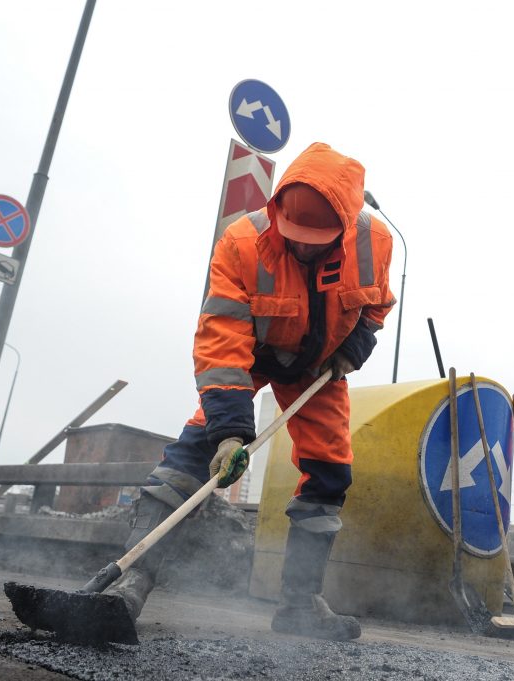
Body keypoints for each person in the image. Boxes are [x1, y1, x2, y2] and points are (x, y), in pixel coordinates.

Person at [106, 142, 395, 642]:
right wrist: (230, 431)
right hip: (253, 351)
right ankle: (131, 582)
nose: (303, 246)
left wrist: (356, 345)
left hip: (318, 365)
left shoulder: (375, 243)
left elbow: (375, 307)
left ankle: (299, 605)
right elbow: (221, 342)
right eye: (295, 236)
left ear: (346, 227)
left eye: (316, 239)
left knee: (330, 473)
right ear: (277, 207)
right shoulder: (242, 242)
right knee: (195, 452)